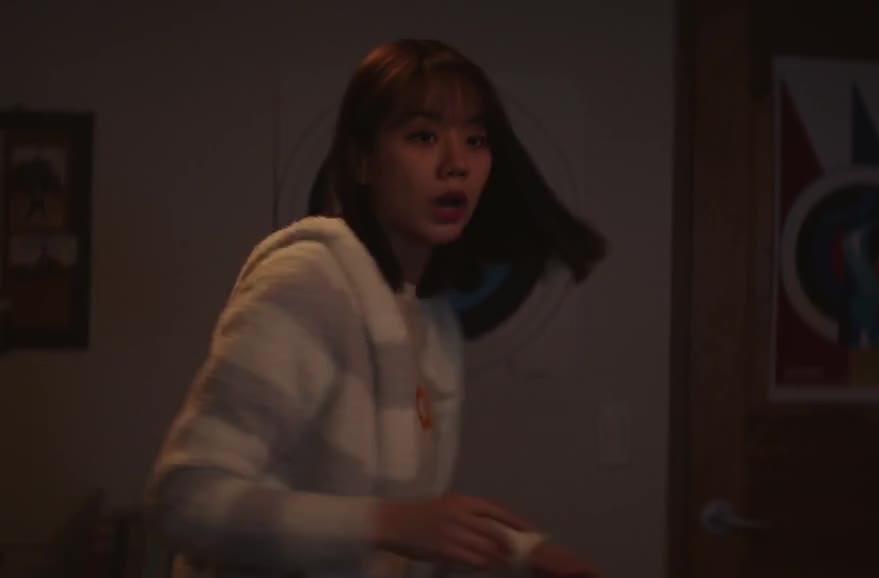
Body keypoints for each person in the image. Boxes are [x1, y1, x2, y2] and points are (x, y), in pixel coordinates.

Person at [144, 39, 606, 578]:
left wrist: (525, 552)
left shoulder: (431, 318)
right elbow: (186, 497)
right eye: (424, 136)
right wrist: (392, 525)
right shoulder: (308, 284)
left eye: (475, 140)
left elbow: (408, 513)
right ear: (362, 161)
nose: (456, 164)